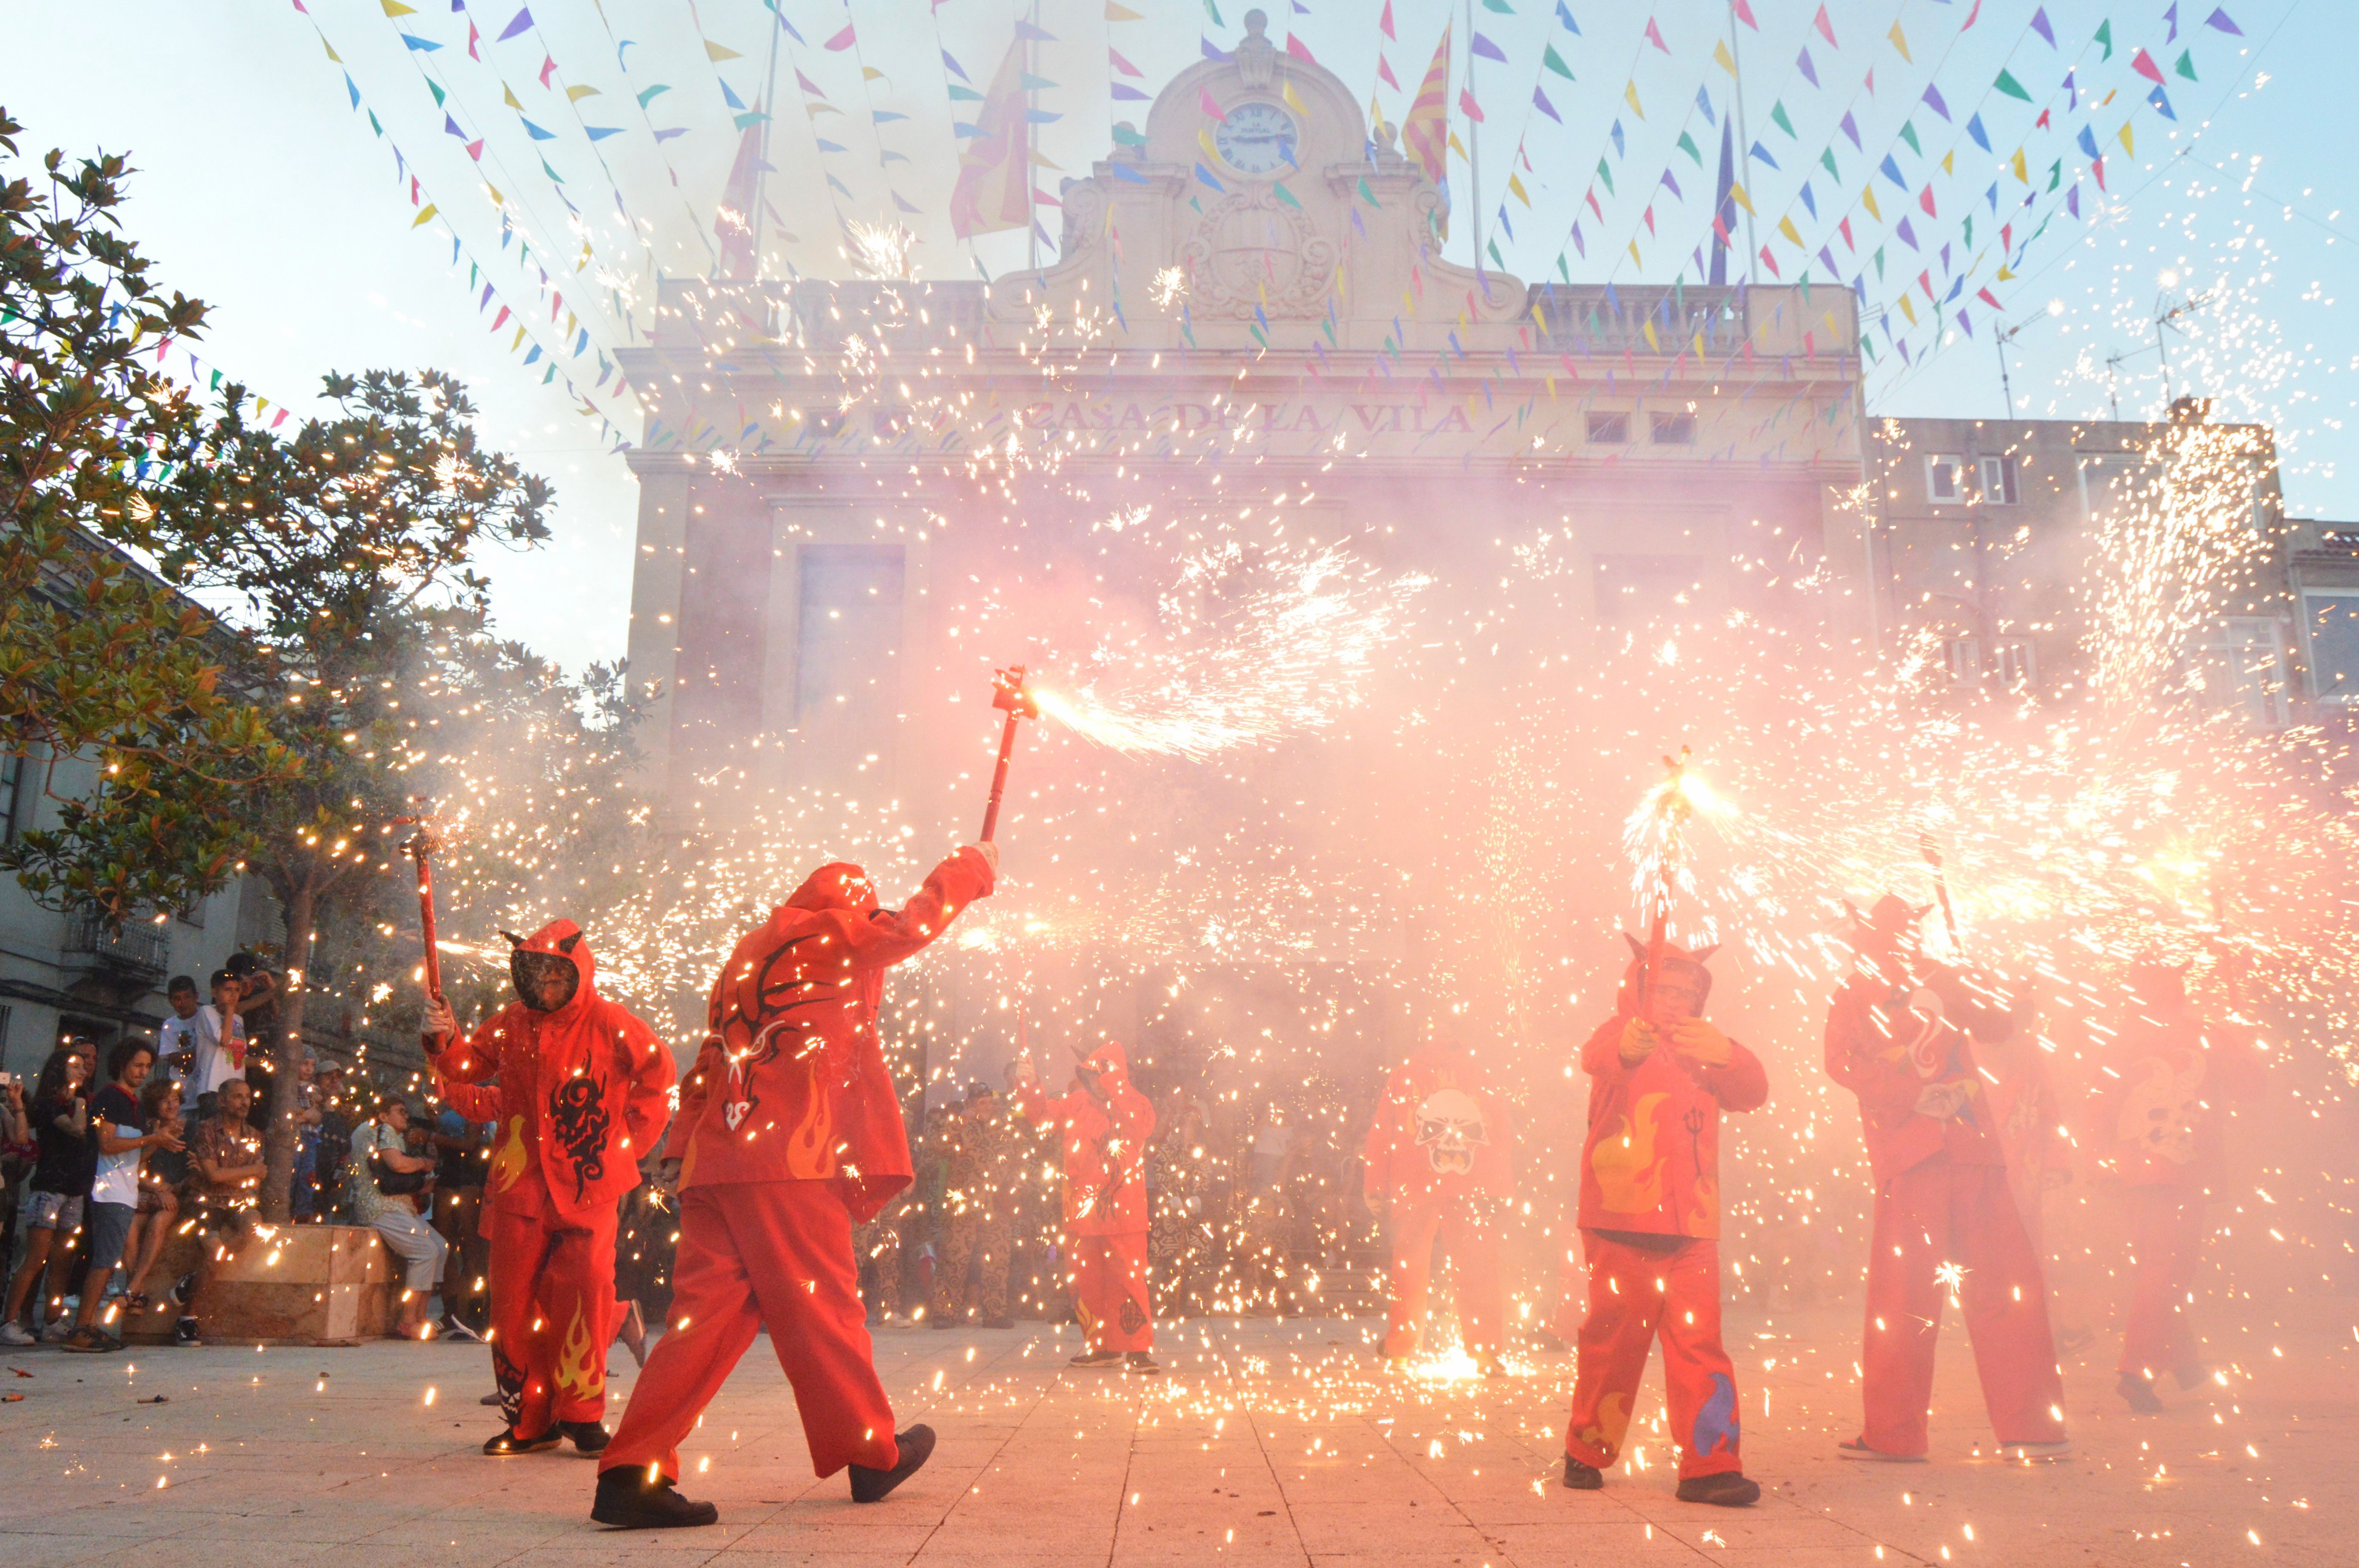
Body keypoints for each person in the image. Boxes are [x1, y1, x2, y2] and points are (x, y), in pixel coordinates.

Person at [594, 845, 996, 1529]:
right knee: (825, 1311)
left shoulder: (746, 953)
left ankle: (630, 1467)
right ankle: (870, 1454)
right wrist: (969, 870)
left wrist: (682, 1143)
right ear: (846, 902)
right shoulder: (832, 931)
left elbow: (710, 1057)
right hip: (789, 1160)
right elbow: (907, 929)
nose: (868, 916)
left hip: (720, 1166)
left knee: (699, 1324)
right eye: (863, 904)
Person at [1824, 895, 2070, 1462]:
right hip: (1936, 1151)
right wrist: (1918, 1093)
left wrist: (2007, 998)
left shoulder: (1935, 978)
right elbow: (1841, 1064)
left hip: (1942, 1153)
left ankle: (1900, 1434)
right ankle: (2026, 1428)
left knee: (1919, 1295)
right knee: (1994, 1289)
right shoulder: (1881, 986)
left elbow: (1995, 1025)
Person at [422, 918, 676, 1456]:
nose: (546, 983)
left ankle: (581, 1414)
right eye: (535, 971)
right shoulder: (511, 1022)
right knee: (512, 1303)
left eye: (556, 973)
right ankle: (529, 1421)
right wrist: (443, 1036)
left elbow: (658, 1076)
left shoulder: (612, 1022)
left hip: (589, 1183)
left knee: (584, 1293)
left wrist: (622, 1146)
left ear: (577, 971)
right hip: (520, 1184)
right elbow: (465, 1068)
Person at [1560, 937, 1767, 1506]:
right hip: (1619, 1218)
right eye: (1664, 990)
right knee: (1612, 1341)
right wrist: (1629, 1043)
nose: (1677, 1001)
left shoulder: (1706, 1047)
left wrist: (1726, 1054)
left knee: (1700, 1344)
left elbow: (1753, 1093)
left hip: (1692, 1225)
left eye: (1687, 992)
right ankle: (1586, 1447)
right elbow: (1596, 1057)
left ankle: (1709, 1465)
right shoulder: (1619, 1033)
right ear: (1637, 990)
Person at [2092, 955, 2262, 1413]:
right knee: (2168, 1270)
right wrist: (2244, 1042)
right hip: (2183, 1168)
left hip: (2131, 1169)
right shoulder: (2206, 1036)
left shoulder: (2121, 1039)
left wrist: (2102, 1165)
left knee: (2152, 1265)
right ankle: (2136, 1370)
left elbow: (2099, 1105)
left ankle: (2185, 1363)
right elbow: (2252, 1087)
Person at [1362, 1022, 1513, 1376]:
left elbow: (1381, 1132)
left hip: (1414, 1185)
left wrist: (1375, 1184)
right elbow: (1502, 1134)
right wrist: (1502, 1187)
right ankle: (1486, 1352)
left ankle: (1400, 1347)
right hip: (1471, 1186)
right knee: (1478, 1266)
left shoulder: (1403, 1076)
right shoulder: (1480, 1076)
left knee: (1409, 1267)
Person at [1011, 1040, 1159, 1375]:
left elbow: (1140, 1127)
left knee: (1129, 1281)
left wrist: (1111, 1082)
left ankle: (1136, 1348)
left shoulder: (1136, 1103)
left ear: (1114, 1075)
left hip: (1124, 1214)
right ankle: (1101, 1346)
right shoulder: (1077, 1102)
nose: (1094, 1082)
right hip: (1082, 1214)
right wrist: (1028, 1084)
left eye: (1099, 1075)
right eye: (1090, 1076)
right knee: (1086, 1283)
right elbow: (1042, 1117)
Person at [60, 1041, 181, 1351]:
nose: (143, 1072)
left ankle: (90, 1325)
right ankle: (82, 1327)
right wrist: (152, 1137)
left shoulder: (134, 1104)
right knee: (104, 1260)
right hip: (108, 1189)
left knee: (108, 1260)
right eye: (138, 1065)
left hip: (126, 1189)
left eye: (147, 1067)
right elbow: (108, 1145)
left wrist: (160, 1141)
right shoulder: (109, 1097)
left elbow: (137, 1156)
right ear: (123, 1064)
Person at [0, 1045, 94, 1344]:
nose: (83, 1070)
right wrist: (80, 1104)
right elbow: (77, 1130)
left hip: (74, 1190)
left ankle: (53, 1320)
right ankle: (9, 1321)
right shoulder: (49, 1105)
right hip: (49, 1189)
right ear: (60, 1070)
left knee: (63, 1258)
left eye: (84, 1065)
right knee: (36, 1257)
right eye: (75, 1065)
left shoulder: (79, 1102)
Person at [342, 1093, 446, 1339]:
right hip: (381, 1207)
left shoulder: (376, 1131)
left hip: (397, 1206)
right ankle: (409, 1319)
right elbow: (396, 1164)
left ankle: (421, 1316)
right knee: (426, 1251)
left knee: (441, 1248)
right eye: (400, 1111)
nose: (406, 1116)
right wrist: (423, 1164)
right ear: (383, 1115)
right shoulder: (383, 1129)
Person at [931, 1081, 1017, 1330]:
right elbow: (939, 1146)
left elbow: (1014, 1161)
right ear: (970, 1104)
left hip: (996, 1205)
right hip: (964, 1204)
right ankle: (945, 1313)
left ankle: (995, 1312)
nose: (987, 1107)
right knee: (955, 1259)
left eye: (990, 1102)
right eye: (981, 1103)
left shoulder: (1003, 1128)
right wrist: (960, 1124)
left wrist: (1012, 1192)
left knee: (998, 1261)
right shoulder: (959, 1125)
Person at [120, 1075, 188, 1316]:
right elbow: (136, 1170)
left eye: (176, 1100)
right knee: (128, 1226)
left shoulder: (187, 1130)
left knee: (159, 1223)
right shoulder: (144, 1129)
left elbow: (192, 1171)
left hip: (173, 1194)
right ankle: (135, 1292)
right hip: (149, 1192)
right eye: (165, 1101)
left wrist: (170, 1190)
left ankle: (134, 1287)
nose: (172, 1106)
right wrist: (157, 1141)